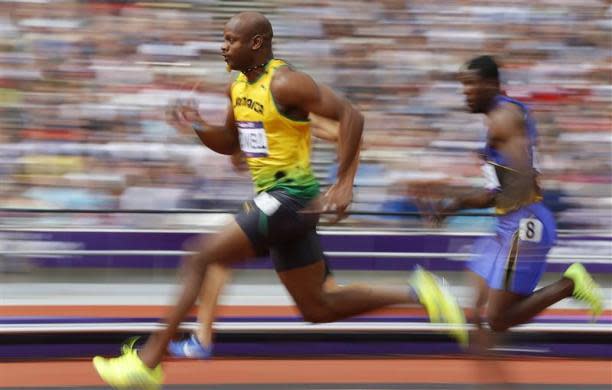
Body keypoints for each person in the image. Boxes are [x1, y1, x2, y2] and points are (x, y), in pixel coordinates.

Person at [93, 12, 466, 388]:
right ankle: (421, 291)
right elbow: (230, 143)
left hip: (290, 198)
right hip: (283, 205)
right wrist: (196, 126)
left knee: (201, 256)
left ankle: (148, 362)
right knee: (318, 307)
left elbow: (352, 115)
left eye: (230, 40)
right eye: (223, 39)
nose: (223, 47)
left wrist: (344, 183)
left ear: (256, 43)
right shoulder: (237, 88)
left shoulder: (286, 83)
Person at [419, 55, 603, 337]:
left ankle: (570, 285)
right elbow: (497, 193)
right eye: (462, 85)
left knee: (498, 319)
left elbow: (522, 180)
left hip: (525, 224)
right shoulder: (501, 118)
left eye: (471, 84)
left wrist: (494, 177)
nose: (465, 92)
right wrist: (454, 205)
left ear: (492, 84)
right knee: (480, 304)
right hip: (512, 222)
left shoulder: (503, 120)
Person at [166, 115, 341, 359]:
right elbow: (238, 162)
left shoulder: (293, 109)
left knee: (328, 295)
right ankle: (409, 293)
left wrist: (340, 183)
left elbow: (338, 133)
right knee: (218, 259)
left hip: (288, 207)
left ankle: (200, 338)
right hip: (275, 208)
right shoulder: (252, 112)